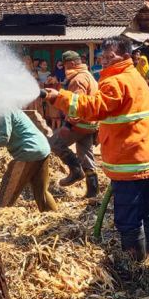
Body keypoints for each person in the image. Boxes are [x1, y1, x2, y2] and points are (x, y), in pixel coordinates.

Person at [44, 37, 149, 261]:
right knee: (147, 207)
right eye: (103, 57)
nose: (105, 61)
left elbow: (95, 108)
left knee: (128, 218)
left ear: (126, 57)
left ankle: (134, 266)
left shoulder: (116, 81)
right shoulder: (133, 75)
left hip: (128, 160)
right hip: (143, 156)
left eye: (111, 57)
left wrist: (60, 98)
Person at [0, 110, 58, 212]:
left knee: (6, 193)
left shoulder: (3, 111)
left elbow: (3, 138)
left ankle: (0, 216)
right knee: (41, 192)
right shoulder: (5, 109)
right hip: (42, 149)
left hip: (28, 152)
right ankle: (53, 215)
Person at [49, 50, 100, 198]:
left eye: (65, 66)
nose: (64, 69)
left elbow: (76, 105)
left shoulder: (78, 79)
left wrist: (68, 126)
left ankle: (76, 171)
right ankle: (92, 193)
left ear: (71, 64)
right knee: (86, 156)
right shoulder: (88, 75)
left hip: (79, 124)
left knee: (54, 143)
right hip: (91, 124)